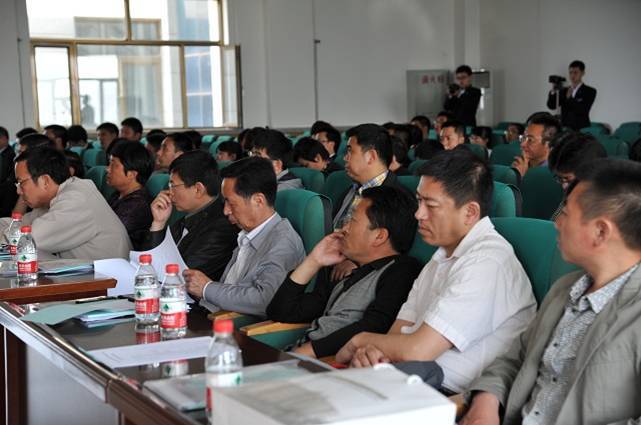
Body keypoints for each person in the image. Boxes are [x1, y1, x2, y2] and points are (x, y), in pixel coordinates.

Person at [336, 149, 536, 394]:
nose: (418, 214)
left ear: (470, 212)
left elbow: (418, 350)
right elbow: (397, 333)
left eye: (430, 205)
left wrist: (360, 341)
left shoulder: (487, 262)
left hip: (452, 396)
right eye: (419, 201)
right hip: (410, 378)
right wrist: (373, 353)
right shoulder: (440, 257)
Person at [461, 159, 641, 425]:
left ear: (601, 231)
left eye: (565, 213)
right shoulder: (564, 289)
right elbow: (515, 359)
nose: (556, 222)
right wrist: (485, 401)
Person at [267, 186, 422, 358]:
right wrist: (314, 261)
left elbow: (375, 326)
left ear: (379, 236)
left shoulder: (402, 270)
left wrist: (307, 352)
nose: (344, 228)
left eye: (352, 221)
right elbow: (281, 311)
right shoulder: (349, 272)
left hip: (328, 363)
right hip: (299, 357)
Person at [182, 157, 306, 317]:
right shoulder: (248, 231)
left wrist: (207, 288)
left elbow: (265, 300)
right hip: (213, 314)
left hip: (240, 326)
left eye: (231, 204)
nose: (226, 211)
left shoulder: (283, 242)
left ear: (258, 201)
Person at [0, 147, 131, 260]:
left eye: (21, 183)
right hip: (86, 275)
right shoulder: (55, 197)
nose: (18, 191)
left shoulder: (76, 200)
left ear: (45, 181)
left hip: (109, 279)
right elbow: (18, 224)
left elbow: (27, 239)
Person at [139, 150, 238, 280]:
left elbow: (179, 277)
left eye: (173, 185)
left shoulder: (221, 228)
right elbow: (146, 262)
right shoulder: (189, 217)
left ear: (198, 189)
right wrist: (158, 223)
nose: (169, 192)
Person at [106, 142, 154, 249]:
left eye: (113, 165)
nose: (107, 169)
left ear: (132, 174)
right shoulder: (117, 194)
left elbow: (107, 234)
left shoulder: (138, 205)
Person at [548, 131, 606, 220]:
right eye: (560, 179)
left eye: (569, 180)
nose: (564, 186)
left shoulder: (611, 209)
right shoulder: (570, 198)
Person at [546, 60, 597, 131]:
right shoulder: (564, 90)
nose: (572, 75)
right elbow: (551, 106)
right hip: (565, 128)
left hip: (581, 129)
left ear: (583, 73)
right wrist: (553, 91)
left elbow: (583, 110)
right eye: (570, 72)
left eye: (575, 72)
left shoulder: (590, 91)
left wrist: (569, 98)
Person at [512, 113, 561, 177]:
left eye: (530, 140)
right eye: (523, 138)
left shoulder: (557, 175)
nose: (522, 144)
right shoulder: (520, 164)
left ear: (549, 144)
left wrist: (522, 177)